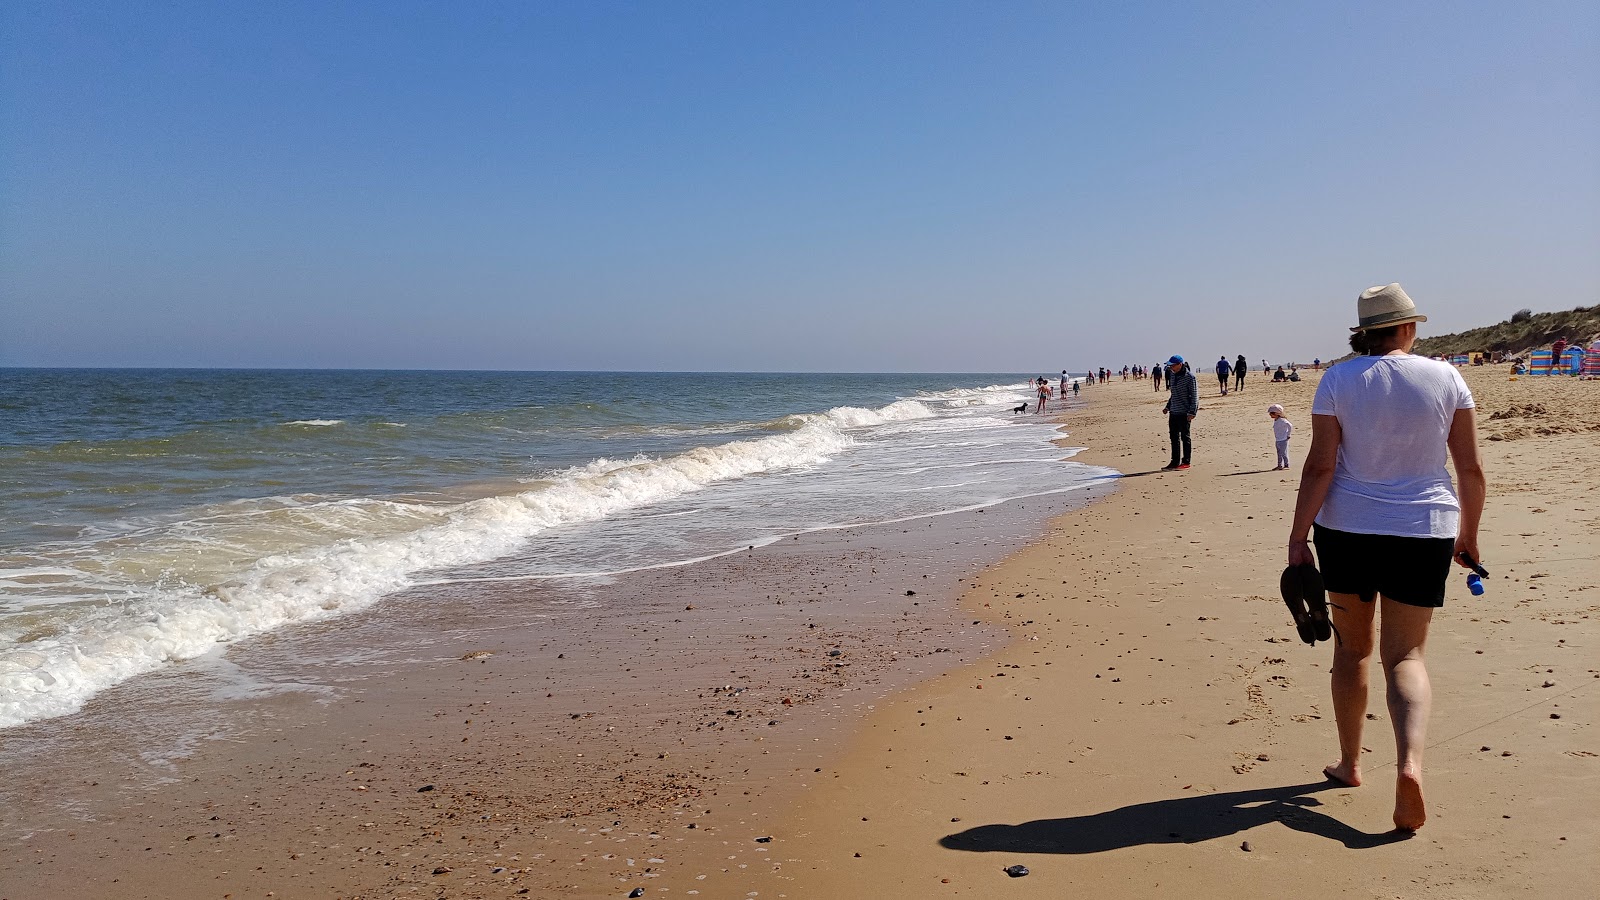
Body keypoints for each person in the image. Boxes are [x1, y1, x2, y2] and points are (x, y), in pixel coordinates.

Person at [1286, 283, 1485, 832]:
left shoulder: (1338, 379)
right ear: (1407, 327)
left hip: (1347, 529)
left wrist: (1298, 536)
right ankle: (1410, 767)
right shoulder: (1445, 376)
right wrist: (1468, 536)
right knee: (1407, 658)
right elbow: (1469, 468)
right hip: (1425, 530)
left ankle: (1350, 764)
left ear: (1364, 330)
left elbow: (1320, 467)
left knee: (1352, 653)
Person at [1161, 354, 1198, 470]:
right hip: (1174, 412)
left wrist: (1192, 412)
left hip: (1185, 413)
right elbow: (1174, 394)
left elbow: (1194, 395)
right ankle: (1174, 461)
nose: (1171, 368)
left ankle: (1186, 461)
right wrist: (1168, 406)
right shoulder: (1172, 375)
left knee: (1185, 437)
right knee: (1173, 437)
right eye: (1170, 366)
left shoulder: (1189, 377)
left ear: (1179, 365)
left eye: (1172, 366)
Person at [1268, 404, 1293, 470]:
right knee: (1279, 453)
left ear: (1276, 413)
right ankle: (1279, 465)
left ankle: (1286, 465)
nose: (1270, 415)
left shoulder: (1282, 420)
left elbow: (1290, 425)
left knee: (1284, 453)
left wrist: (1288, 434)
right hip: (1278, 439)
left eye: (1271, 414)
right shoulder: (1276, 420)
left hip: (1283, 439)